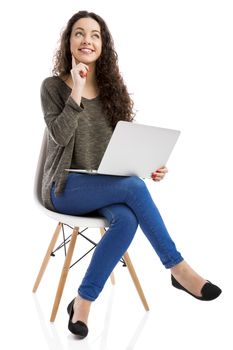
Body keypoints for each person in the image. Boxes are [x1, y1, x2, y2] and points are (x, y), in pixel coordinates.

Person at [40, 10, 222, 339]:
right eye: (79, 33)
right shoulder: (53, 87)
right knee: (133, 190)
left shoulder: (112, 92)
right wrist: (77, 88)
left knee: (126, 218)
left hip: (103, 186)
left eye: (95, 35)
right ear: (68, 42)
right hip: (64, 187)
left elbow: (119, 151)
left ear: (103, 45)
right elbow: (59, 136)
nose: (87, 40)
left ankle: (82, 301)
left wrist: (147, 164)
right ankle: (177, 268)